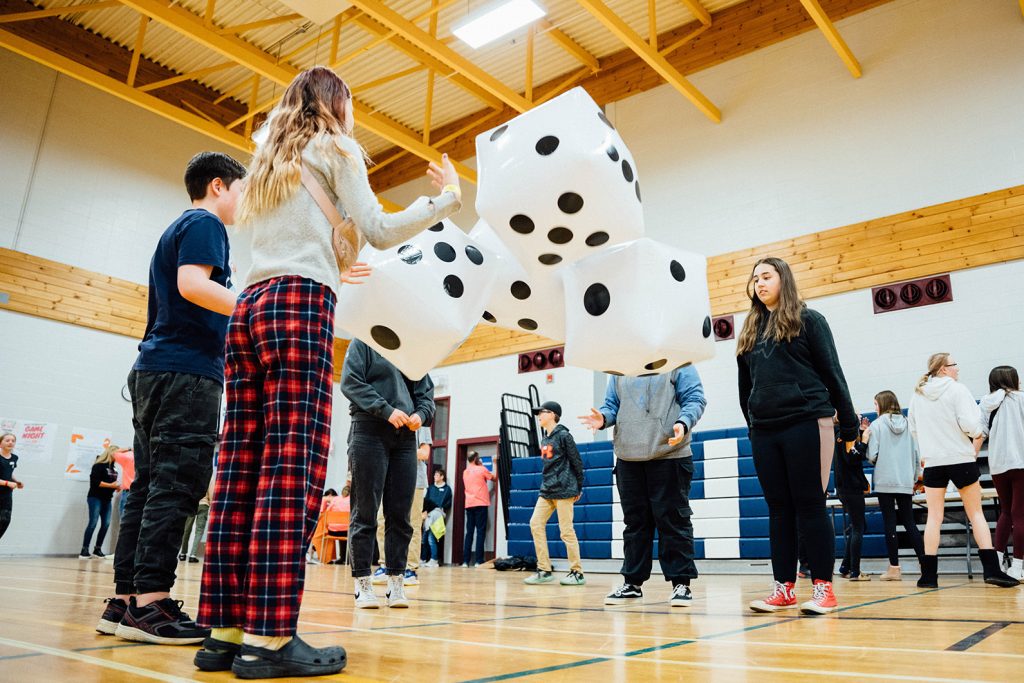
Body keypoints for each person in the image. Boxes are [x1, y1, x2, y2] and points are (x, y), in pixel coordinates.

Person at [197, 66, 460, 678]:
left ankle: (224, 632)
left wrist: (335, 263)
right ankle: (269, 638)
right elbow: (381, 228)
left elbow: (293, 240)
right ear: (335, 104)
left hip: (249, 308)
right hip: (298, 306)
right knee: (291, 469)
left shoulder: (264, 164)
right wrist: (446, 196)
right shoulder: (336, 146)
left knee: (239, 467)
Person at [96, 150, 245, 645]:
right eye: (242, 189)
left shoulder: (178, 228)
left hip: (155, 370)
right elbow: (192, 285)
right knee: (178, 484)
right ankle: (153, 603)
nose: (244, 201)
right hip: (185, 373)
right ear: (219, 185)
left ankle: (126, 600)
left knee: (148, 486)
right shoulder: (205, 223)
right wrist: (253, 307)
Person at [737, 257, 857, 616]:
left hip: (807, 421)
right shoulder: (749, 330)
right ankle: (784, 588)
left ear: (783, 280)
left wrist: (848, 424)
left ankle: (823, 588)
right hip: (765, 429)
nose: (760, 283)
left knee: (810, 505)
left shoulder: (809, 320)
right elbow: (746, 388)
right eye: (755, 278)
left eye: (767, 276)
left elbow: (833, 373)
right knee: (778, 510)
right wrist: (754, 422)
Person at [580, 366, 707, 608]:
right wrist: (604, 418)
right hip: (628, 457)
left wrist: (684, 422)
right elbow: (611, 406)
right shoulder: (620, 369)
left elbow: (695, 398)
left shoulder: (678, 361)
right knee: (635, 524)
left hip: (670, 453)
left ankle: (681, 583)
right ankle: (632, 583)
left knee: (673, 521)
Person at [908, 353, 1017, 588]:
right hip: (960, 458)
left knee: (934, 518)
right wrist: (977, 431)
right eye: (954, 365)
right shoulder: (957, 390)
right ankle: (991, 570)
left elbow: (913, 428)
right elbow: (971, 425)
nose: (958, 369)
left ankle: (928, 576)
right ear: (944, 369)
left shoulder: (918, 394)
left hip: (933, 462)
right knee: (975, 514)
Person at [342, 341, 434, 609]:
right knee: (365, 512)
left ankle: (396, 581)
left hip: (406, 438)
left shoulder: (413, 348)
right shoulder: (362, 342)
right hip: (369, 430)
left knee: (400, 516)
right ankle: (362, 583)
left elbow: (426, 394)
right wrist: (385, 410)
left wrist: (421, 413)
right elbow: (350, 382)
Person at [524, 401, 586, 586]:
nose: (538, 416)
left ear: (552, 414)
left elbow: (577, 462)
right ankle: (544, 569)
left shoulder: (564, 436)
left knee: (566, 531)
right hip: (547, 490)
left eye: (541, 413)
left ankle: (577, 572)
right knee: (535, 523)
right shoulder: (545, 438)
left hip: (565, 489)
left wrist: (578, 487)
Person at [865, 390, 924, 582]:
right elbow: (916, 454)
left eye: (875, 404)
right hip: (906, 480)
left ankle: (894, 569)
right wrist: (915, 477)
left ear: (882, 404)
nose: (875, 408)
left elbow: (872, 455)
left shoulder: (877, 425)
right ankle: (926, 565)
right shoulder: (908, 424)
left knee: (890, 524)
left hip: (885, 481)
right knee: (910, 523)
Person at [978, 366, 1024, 580]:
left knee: (1005, 512)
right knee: (1020, 514)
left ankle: (996, 561)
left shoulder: (986, 403)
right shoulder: (1021, 398)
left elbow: (980, 433)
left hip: (997, 465)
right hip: (1020, 462)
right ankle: (1017, 566)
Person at [373, 427, 433, 587]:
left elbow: (424, 453)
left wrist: (399, 454)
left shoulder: (422, 424)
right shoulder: (390, 420)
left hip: (415, 480)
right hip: (389, 479)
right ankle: (385, 565)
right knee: (382, 522)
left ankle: (410, 569)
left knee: (412, 524)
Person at [833, 415, 870, 581]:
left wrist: (860, 433)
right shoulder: (845, 435)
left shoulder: (839, 434)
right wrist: (865, 441)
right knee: (858, 528)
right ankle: (855, 571)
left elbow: (850, 453)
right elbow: (852, 457)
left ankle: (845, 565)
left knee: (858, 525)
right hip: (850, 487)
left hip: (845, 487)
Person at [80, 445, 120, 559]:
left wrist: (116, 487)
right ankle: (84, 550)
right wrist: (110, 485)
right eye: (117, 454)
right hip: (95, 497)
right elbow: (95, 482)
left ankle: (97, 549)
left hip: (107, 499)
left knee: (106, 524)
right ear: (111, 453)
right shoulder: (98, 465)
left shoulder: (114, 468)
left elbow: (112, 483)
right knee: (93, 522)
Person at [462, 451, 496, 568]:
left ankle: (465, 561)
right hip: (481, 504)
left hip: (469, 504)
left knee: (469, 533)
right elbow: (494, 477)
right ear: (476, 458)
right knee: (480, 532)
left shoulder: (465, 472)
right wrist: (494, 463)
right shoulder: (481, 469)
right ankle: (478, 561)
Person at [422, 467, 452, 567]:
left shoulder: (447, 489)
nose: (434, 477)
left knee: (432, 537)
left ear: (442, 476)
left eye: (437, 475)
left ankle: (434, 559)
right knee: (424, 538)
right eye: (434, 475)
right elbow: (426, 500)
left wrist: (442, 508)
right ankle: (423, 559)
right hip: (428, 514)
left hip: (438, 514)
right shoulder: (430, 488)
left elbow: (448, 503)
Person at [179, 476, 213, 563]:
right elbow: (211, 492)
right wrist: (211, 504)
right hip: (203, 504)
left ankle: (183, 554)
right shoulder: (208, 476)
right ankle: (192, 555)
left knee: (187, 529)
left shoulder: (192, 472)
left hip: (191, 503)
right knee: (199, 531)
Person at [0, 433, 24, 542]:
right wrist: (7, 483)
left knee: (5, 521)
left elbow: (9, 473)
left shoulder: (14, 458)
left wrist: (16, 481)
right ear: (0, 443)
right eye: (7, 440)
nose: (10, 442)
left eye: (13, 440)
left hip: (6, 495)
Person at [112, 448, 135, 521]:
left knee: (124, 520)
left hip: (128, 492)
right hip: (144, 493)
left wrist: (129, 449)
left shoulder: (129, 457)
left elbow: (113, 453)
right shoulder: (149, 458)